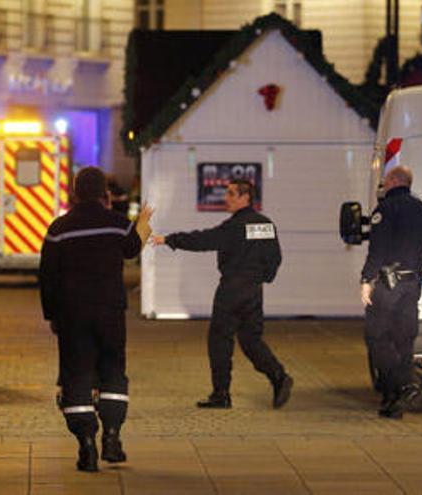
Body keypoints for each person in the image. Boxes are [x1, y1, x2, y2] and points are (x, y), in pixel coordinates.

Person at [39, 166, 153, 472]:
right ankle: (113, 438)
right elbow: (131, 250)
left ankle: (86, 446)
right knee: (113, 372)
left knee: (77, 376)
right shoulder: (117, 224)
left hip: (73, 316)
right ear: (105, 192)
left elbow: (47, 277)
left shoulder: (59, 228)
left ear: (75, 192)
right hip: (110, 313)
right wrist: (142, 224)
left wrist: (52, 315)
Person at [151, 179, 292, 410]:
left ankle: (221, 394)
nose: (226, 198)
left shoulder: (235, 226)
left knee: (219, 340)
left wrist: (169, 240)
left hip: (232, 290)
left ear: (246, 197)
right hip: (254, 291)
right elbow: (275, 257)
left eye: (231, 194)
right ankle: (278, 375)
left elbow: (204, 240)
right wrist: (263, 278)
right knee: (251, 340)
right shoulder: (266, 225)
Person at [360, 165, 422, 419]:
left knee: (377, 338)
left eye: (385, 180)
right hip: (413, 284)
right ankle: (393, 401)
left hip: (388, 284)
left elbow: (377, 251)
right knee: (403, 340)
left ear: (393, 181)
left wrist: (366, 279)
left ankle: (407, 385)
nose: (383, 184)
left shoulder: (385, 210)